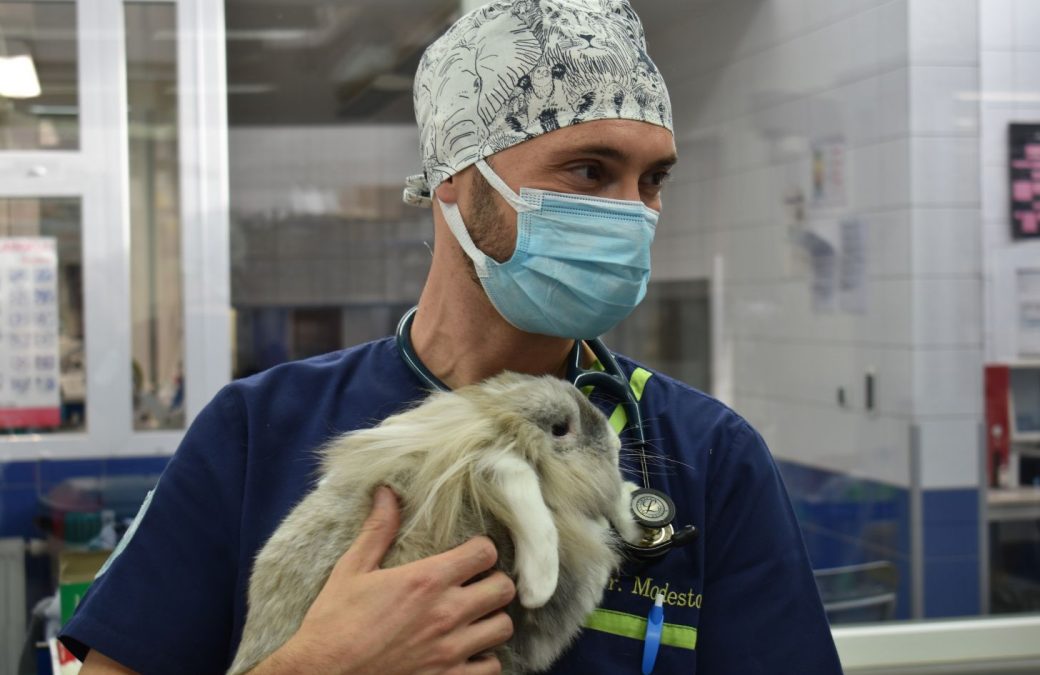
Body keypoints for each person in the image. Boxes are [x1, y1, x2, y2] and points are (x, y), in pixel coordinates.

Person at [62, 1, 843, 673]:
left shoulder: (708, 458)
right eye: (590, 171)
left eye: (652, 180)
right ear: (456, 181)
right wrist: (322, 663)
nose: (632, 214)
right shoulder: (258, 430)